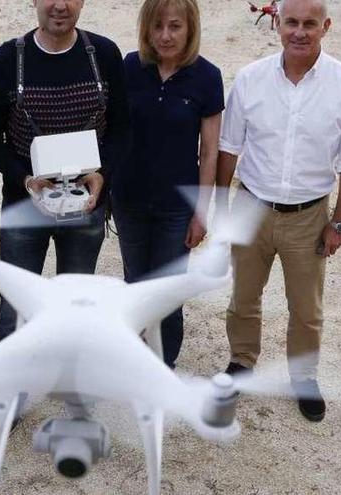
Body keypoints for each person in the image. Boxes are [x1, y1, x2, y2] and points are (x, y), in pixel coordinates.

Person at [217, 0, 341, 422]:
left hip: (309, 215)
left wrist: (339, 221)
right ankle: (241, 362)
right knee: (243, 297)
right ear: (276, 24)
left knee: (306, 307)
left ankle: (303, 376)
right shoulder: (250, 79)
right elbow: (229, 147)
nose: (299, 32)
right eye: (291, 23)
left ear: (326, 27)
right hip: (252, 205)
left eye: (309, 24)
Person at [0, 0, 129, 342]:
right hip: (23, 205)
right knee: (16, 304)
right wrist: (24, 179)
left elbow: (122, 128)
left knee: (75, 302)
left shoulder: (103, 55)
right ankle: (12, 388)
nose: (60, 6)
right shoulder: (7, 60)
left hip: (86, 206)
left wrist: (103, 174)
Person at [112, 0, 223, 369]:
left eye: (175, 26)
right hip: (129, 200)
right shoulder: (129, 68)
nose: (165, 36)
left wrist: (201, 212)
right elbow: (112, 132)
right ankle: (133, 357)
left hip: (177, 207)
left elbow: (209, 152)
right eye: (157, 26)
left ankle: (163, 365)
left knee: (168, 292)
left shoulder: (207, 77)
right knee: (136, 286)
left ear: (190, 29)